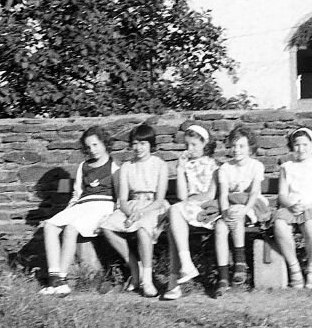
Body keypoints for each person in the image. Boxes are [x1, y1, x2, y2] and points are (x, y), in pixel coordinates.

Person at [39, 126, 119, 296]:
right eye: (89, 147)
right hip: (82, 205)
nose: (93, 150)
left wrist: (110, 218)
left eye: (96, 145)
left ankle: (62, 279)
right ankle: (53, 279)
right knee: (50, 226)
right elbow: (77, 194)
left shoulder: (114, 167)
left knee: (71, 228)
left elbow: (118, 197)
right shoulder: (83, 166)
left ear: (104, 143)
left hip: (102, 206)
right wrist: (66, 212)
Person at [100, 124, 169, 297]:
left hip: (153, 206)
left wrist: (142, 212)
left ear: (151, 144)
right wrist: (130, 213)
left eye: (143, 143)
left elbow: (159, 200)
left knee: (143, 228)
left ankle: (147, 280)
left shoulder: (160, 165)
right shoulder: (127, 166)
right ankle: (134, 267)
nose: (138, 148)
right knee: (106, 226)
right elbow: (122, 199)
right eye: (135, 144)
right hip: (132, 205)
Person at [162, 124, 218, 300]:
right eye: (187, 145)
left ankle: (175, 281)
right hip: (187, 209)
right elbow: (181, 195)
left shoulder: (213, 165)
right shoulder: (187, 166)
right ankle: (183, 269)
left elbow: (210, 194)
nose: (190, 148)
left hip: (206, 209)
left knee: (174, 214)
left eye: (194, 144)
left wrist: (191, 201)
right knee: (173, 221)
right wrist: (180, 169)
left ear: (204, 143)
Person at [272, 127, 312, 290]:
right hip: (292, 208)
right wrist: (291, 205)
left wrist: (307, 206)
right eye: (297, 145)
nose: (301, 149)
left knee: (310, 223)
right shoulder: (287, 167)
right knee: (279, 223)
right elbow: (282, 195)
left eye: (305, 145)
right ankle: (294, 269)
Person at [213, 126, 269, 297]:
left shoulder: (256, 166)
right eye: (234, 146)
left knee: (237, 214)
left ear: (250, 148)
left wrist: (244, 210)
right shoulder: (225, 168)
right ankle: (223, 277)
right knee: (220, 227)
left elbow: (254, 193)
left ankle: (240, 262)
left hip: (252, 206)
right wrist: (224, 212)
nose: (237, 150)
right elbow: (223, 194)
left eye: (241, 146)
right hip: (230, 206)